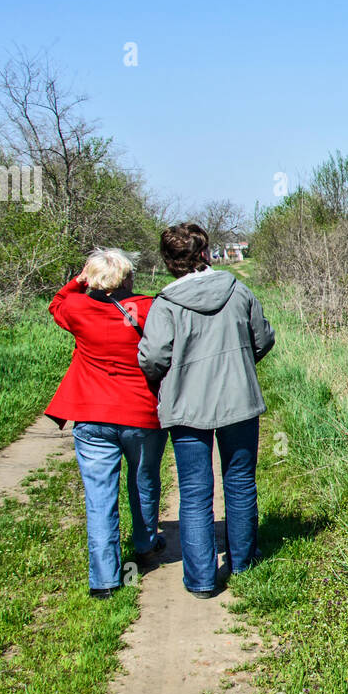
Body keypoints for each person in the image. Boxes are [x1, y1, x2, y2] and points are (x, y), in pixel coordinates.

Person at [138, 223, 275, 598]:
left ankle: (200, 579)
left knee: (195, 492)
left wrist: (167, 379)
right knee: (241, 481)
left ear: (169, 261)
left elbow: (152, 357)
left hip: (187, 405)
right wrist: (241, 365)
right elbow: (262, 338)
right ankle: (243, 562)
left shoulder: (165, 304)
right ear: (204, 253)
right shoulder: (238, 291)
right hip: (239, 401)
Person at [46, 247, 166, 598]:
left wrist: (79, 280)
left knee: (100, 497)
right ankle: (144, 545)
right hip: (141, 413)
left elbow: (56, 302)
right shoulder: (146, 307)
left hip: (91, 414)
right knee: (143, 481)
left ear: (92, 278)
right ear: (127, 277)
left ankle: (104, 580)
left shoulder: (76, 308)